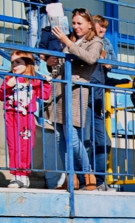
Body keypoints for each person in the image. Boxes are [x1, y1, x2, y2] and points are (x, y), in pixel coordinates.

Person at [47, 7, 101, 190]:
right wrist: (51, 63)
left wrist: (66, 43)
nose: (75, 26)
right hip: (61, 92)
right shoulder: (71, 39)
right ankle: (71, 179)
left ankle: (88, 175)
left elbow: (90, 58)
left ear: (89, 25)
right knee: (61, 138)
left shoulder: (96, 41)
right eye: (74, 23)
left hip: (77, 91)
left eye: (80, 23)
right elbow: (59, 68)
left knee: (73, 137)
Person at [2, 50, 52, 188]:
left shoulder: (35, 79)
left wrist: (46, 82)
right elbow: (1, 95)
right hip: (11, 115)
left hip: (26, 117)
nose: (14, 65)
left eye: (18, 62)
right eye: (12, 62)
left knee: (25, 146)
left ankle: (23, 176)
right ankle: (16, 175)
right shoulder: (9, 78)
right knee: (13, 146)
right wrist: (7, 86)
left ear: (28, 64)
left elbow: (45, 95)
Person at [85, 14, 114, 190]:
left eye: (105, 27)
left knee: (104, 142)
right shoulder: (86, 42)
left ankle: (100, 181)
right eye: (99, 26)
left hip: (98, 100)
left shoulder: (107, 43)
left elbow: (114, 63)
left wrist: (108, 63)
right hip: (85, 96)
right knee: (85, 141)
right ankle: (84, 181)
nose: (102, 30)